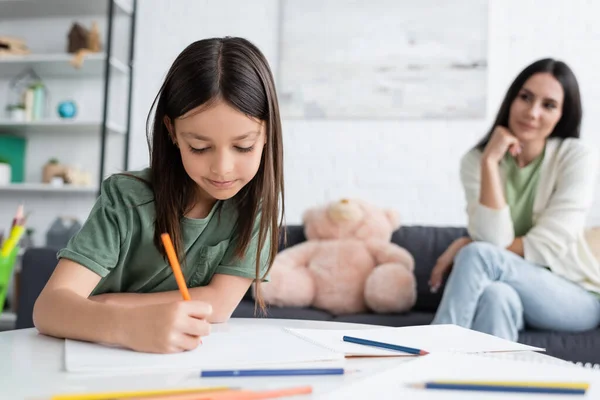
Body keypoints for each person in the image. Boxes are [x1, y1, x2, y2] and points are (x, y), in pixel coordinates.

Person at [33, 37, 285, 353]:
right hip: (95, 355)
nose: (222, 168)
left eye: (243, 146)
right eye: (200, 147)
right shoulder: (127, 198)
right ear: (172, 132)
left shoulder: (255, 205)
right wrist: (127, 325)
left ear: (267, 134)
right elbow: (48, 308)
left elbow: (219, 305)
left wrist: (107, 303)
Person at [429, 58, 600, 341]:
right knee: (497, 296)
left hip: (576, 295)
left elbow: (547, 245)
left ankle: (431, 353)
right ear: (511, 99)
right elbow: (492, 239)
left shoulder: (575, 156)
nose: (532, 112)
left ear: (563, 114)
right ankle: (488, 381)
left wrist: (468, 244)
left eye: (548, 105)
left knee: (477, 254)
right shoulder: (475, 161)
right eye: (525, 98)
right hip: (514, 286)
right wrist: (490, 163)